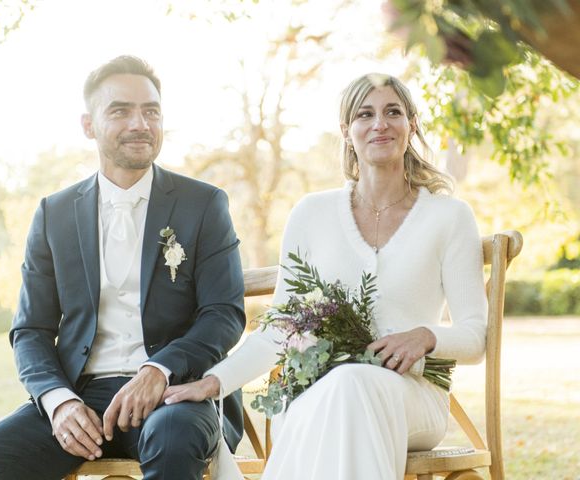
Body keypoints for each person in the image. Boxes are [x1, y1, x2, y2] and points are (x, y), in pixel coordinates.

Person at [162, 72, 488, 479]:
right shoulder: (311, 214)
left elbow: (476, 337)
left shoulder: (449, 216)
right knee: (334, 391)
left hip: (415, 399)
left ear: (412, 124)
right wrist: (214, 382)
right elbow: (280, 329)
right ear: (346, 132)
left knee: (350, 384)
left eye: (394, 112)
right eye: (365, 114)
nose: (380, 124)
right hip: (320, 392)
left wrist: (425, 336)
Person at [0, 55, 246, 480]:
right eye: (120, 110)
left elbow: (224, 314)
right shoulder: (54, 213)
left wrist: (158, 370)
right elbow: (31, 331)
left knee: (174, 441)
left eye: (151, 111)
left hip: (176, 393)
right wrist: (58, 401)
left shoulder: (204, 204)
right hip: (81, 397)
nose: (140, 123)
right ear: (88, 125)